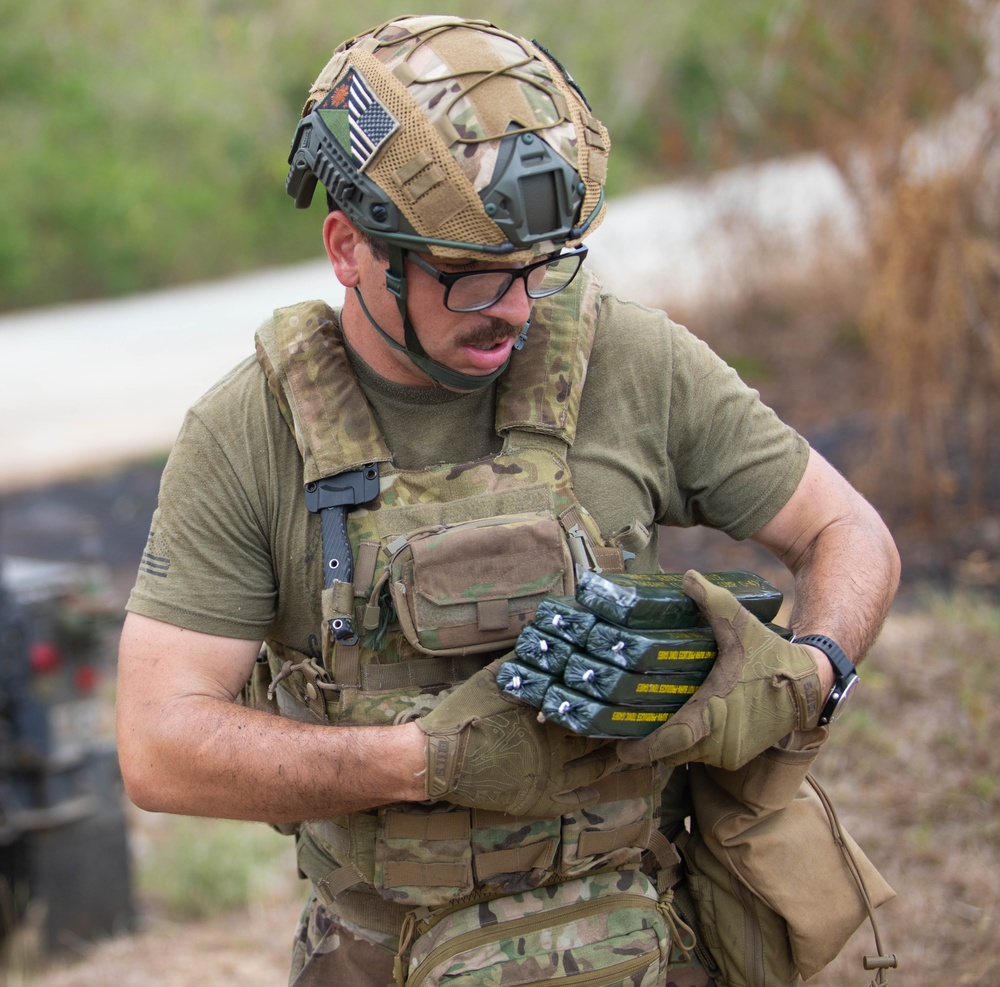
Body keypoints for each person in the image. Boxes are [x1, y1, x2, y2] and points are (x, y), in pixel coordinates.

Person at [116, 14, 900, 987]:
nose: (517, 309)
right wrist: (426, 763)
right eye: (467, 276)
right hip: (390, 956)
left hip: (647, 940)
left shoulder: (630, 363)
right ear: (349, 248)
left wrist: (808, 673)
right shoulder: (251, 433)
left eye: (538, 270)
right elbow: (159, 744)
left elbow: (846, 531)